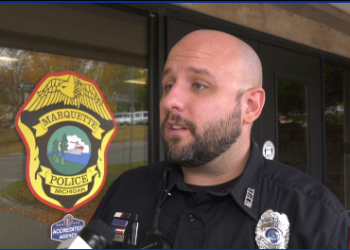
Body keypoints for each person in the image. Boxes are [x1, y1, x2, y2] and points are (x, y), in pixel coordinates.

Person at [91, 30, 350, 248]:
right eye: (168, 85)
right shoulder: (127, 190)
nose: (170, 101)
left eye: (198, 85)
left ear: (250, 106)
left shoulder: (315, 217)